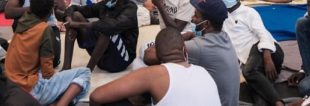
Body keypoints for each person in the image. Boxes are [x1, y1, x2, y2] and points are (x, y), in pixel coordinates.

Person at [89, 27, 220, 106]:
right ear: (185, 50)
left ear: (157, 55)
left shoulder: (155, 73)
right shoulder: (203, 72)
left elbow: (96, 96)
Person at [5, 0, 91, 106]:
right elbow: (47, 72)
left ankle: (55, 100)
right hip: (30, 90)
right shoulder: (44, 29)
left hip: (12, 86)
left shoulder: (23, 21)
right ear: (51, 11)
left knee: (63, 83)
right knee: (84, 73)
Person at [218, 0, 284, 106]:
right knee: (258, 95)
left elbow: (262, 33)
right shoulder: (223, 18)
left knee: (249, 71)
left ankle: (279, 103)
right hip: (252, 63)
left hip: (268, 52)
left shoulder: (248, 12)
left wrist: (267, 58)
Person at [63, 0, 139, 72]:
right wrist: (69, 19)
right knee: (76, 15)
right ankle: (66, 67)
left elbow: (112, 25)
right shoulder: (104, 5)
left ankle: (87, 71)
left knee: (107, 29)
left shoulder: (130, 8)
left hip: (120, 61)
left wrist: (77, 25)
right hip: (102, 59)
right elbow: (75, 8)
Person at [5, 0, 66, 66]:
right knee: (17, 23)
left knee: (53, 62)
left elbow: (62, 15)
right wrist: (35, 7)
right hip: (28, 27)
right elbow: (8, 12)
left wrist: (55, 9)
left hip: (49, 27)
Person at [185, 0, 241, 106]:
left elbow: (156, 53)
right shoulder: (225, 36)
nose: (192, 18)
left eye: (196, 16)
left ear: (206, 24)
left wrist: (180, 37)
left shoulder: (198, 47)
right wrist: (193, 35)